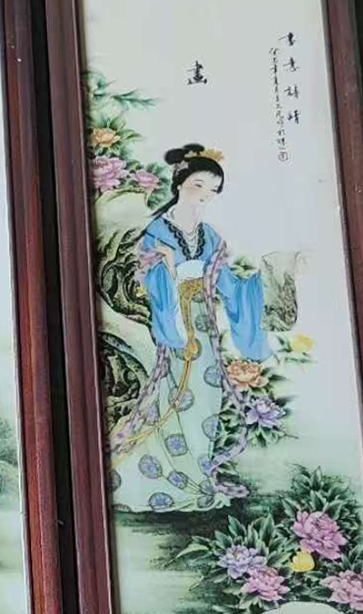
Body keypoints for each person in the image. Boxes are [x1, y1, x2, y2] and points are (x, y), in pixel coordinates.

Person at [107, 144, 270, 512]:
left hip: (203, 323)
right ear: (180, 183)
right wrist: (168, 268)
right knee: (177, 395)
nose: (204, 196)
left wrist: (268, 278)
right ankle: (169, 477)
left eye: (213, 190)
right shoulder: (156, 230)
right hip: (174, 322)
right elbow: (150, 284)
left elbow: (229, 285)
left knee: (208, 397)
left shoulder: (209, 235)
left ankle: (198, 474)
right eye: (199, 185)